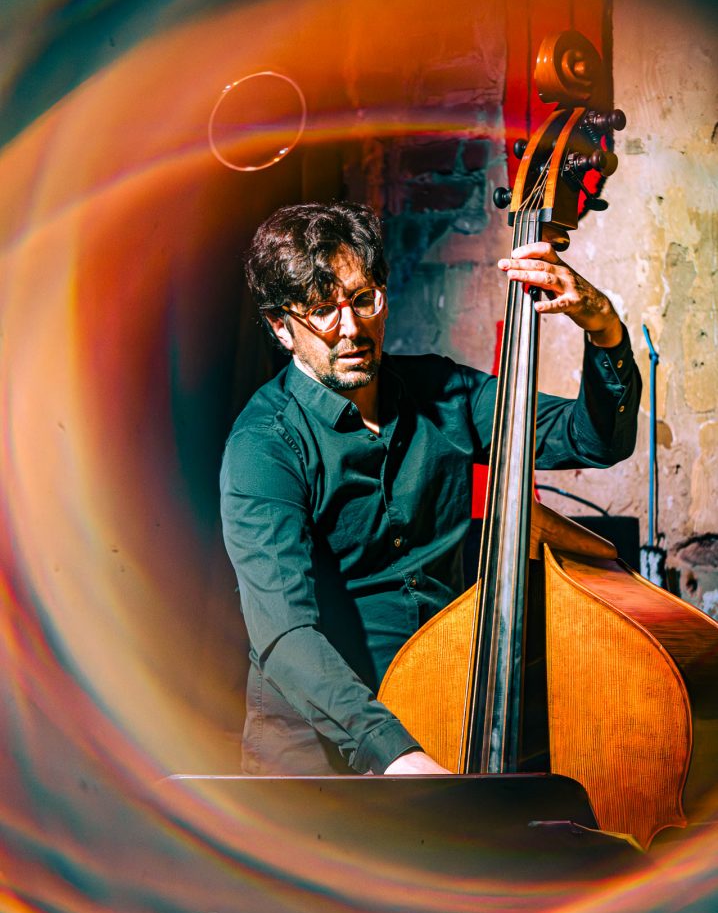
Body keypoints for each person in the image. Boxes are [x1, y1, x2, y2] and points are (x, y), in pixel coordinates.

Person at [220, 202, 640, 777]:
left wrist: (604, 328)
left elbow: (591, 440)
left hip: (443, 710)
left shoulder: (444, 391)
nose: (352, 328)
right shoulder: (264, 444)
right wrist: (397, 755)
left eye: (364, 299)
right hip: (319, 755)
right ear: (280, 327)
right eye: (321, 311)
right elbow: (285, 634)